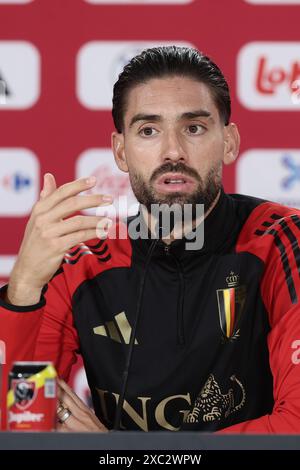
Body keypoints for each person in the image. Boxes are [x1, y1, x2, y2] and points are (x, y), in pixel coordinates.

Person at [1, 45, 300, 433]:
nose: (173, 151)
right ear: (121, 151)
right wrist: (23, 288)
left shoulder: (282, 240)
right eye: (148, 130)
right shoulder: (83, 264)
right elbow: (18, 420)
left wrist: (119, 454)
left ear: (228, 143)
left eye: (193, 128)